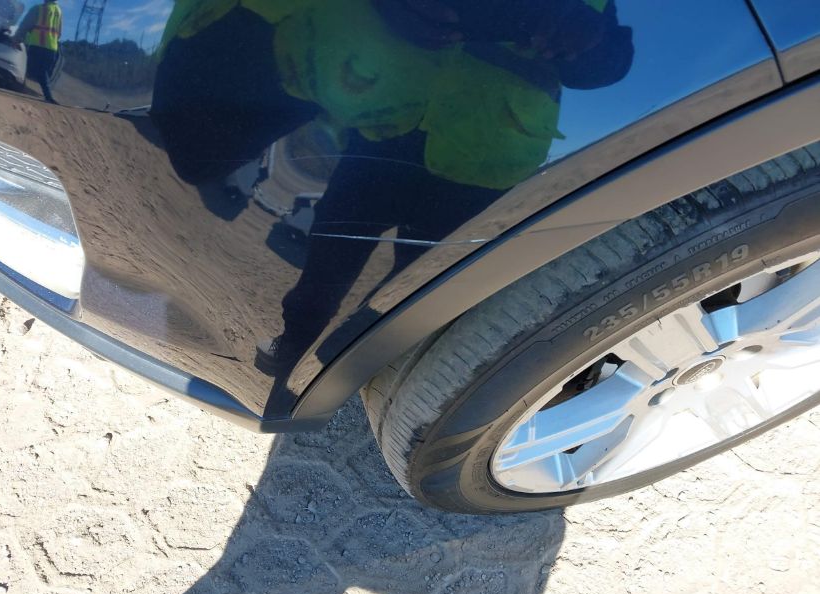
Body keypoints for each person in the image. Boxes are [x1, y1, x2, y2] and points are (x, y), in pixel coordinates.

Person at [151, 0, 633, 412]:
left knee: (421, 285)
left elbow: (611, 63)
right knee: (328, 258)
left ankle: (378, 374)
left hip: (483, 160)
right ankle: (293, 348)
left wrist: (582, 35)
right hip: (383, 126)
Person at [14, 0, 61, 104]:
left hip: (38, 45)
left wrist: (17, 39)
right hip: (52, 48)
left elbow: (25, 25)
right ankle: (47, 95)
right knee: (43, 72)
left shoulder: (38, 9)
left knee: (30, 68)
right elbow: (59, 32)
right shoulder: (58, 11)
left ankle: (46, 96)